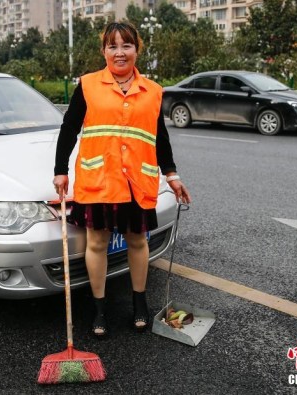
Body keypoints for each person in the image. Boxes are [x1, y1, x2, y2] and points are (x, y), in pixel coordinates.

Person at [53, 21, 191, 338]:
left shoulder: (153, 92)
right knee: (98, 243)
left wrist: (172, 175)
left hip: (135, 183)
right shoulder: (87, 85)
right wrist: (61, 169)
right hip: (99, 178)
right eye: (112, 46)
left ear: (136, 50)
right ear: (104, 51)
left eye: (126, 45)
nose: (119, 52)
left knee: (137, 241)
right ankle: (100, 309)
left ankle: (139, 304)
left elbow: (160, 138)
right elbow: (69, 128)